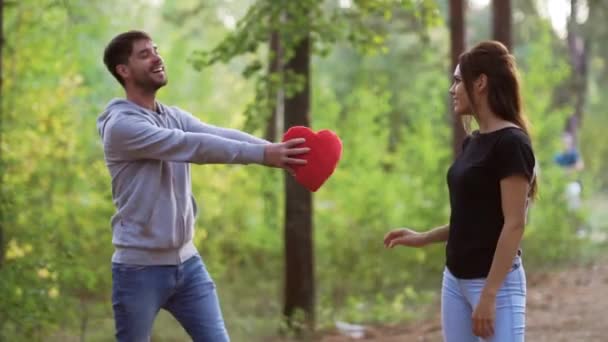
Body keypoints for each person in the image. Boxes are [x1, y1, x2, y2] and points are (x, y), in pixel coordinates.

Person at [97, 30, 309, 342]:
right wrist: (265, 155)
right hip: (139, 271)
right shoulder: (123, 127)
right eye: (144, 54)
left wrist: (276, 150)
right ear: (123, 71)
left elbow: (217, 134)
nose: (157, 56)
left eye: (155, 49)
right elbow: (195, 146)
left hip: (188, 266)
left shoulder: (170, 116)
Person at [384, 41, 536, 342]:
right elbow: (474, 221)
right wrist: (423, 237)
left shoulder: (512, 144)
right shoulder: (473, 142)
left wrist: (489, 296)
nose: (452, 89)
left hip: (496, 284)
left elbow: (514, 224)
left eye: (457, 80)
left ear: (480, 83)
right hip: (454, 280)